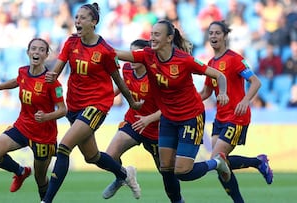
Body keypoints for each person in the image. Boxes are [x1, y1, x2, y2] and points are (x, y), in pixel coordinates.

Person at [115, 19, 231, 203]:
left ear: (169, 38)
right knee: (165, 168)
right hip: (168, 117)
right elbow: (118, 54)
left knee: (182, 171)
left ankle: (217, 163)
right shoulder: (147, 55)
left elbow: (219, 75)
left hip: (191, 117)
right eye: (151, 34)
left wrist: (222, 93)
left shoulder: (184, 60)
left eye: (157, 35)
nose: (152, 38)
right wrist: (96, 46)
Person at [41, 3, 143, 203]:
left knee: (64, 147)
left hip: (97, 105)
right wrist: (50, 77)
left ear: (94, 22)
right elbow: (57, 70)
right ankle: (125, 174)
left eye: (83, 18)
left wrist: (132, 102)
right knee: (92, 157)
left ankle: (46, 201)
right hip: (75, 105)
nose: (77, 21)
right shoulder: (71, 42)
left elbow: (118, 80)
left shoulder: (104, 50)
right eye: (76, 17)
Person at [0, 38, 67, 200]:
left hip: (43, 136)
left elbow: (63, 110)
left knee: (40, 180)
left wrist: (46, 117)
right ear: (28, 52)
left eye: (41, 50)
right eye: (33, 48)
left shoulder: (52, 82)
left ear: (46, 55)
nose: (36, 52)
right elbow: (17, 81)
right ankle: (21, 171)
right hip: (22, 127)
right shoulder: (23, 72)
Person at [199, 20, 273, 203]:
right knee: (221, 167)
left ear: (225, 36)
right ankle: (258, 162)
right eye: (211, 33)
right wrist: (183, 101)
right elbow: (206, 92)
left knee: (217, 160)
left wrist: (245, 100)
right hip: (220, 117)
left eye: (217, 33)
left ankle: (258, 163)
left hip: (237, 116)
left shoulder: (234, 58)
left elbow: (255, 81)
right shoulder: (210, 63)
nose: (213, 36)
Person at [102, 39, 161, 199]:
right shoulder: (127, 68)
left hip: (156, 129)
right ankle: (123, 176)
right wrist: (104, 102)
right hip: (133, 122)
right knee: (109, 157)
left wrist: (149, 119)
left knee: (167, 172)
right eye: (130, 52)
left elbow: (169, 106)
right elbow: (122, 87)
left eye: (135, 54)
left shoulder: (156, 75)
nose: (130, 57)